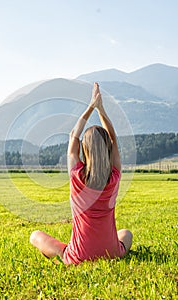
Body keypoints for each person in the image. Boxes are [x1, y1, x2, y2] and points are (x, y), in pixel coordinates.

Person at [30, 82, 133, 265]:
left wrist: (91, 107)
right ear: (108, 149)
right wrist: (101, 109)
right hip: (112, 253)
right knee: (126, 234)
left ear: (84, 150)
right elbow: (114, 138)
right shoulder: (114, 178)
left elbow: (73, 137)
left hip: (79, 256)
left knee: (35, 236)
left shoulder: (77, 176)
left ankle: (63, 253)